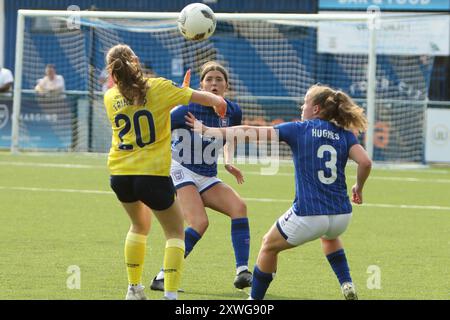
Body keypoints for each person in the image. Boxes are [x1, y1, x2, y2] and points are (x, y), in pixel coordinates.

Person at [186, 84, 372, 300]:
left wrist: (209, 131)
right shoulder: (344, 134)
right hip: (342, 216)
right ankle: (347, 283)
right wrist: (358, 186)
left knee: (267, 246)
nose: (302, 107)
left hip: (309, 214)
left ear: (316, 109)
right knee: (330, 238)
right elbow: (365, 162)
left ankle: (253, 301)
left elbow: (250, 132)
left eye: (305, 103)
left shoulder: (299, 129)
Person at [103, 44, 227, 300]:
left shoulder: (109, 96)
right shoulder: (159, 87)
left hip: (120, 174)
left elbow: (145, 108)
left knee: (138, 225)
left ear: (112, 73)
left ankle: (133, 289)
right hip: (152, 175)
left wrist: (177, 94)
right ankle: (170, 295)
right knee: (175, 232)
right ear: (136, 61)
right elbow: (211, 99)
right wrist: (216, 101)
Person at [150, 61, 252, 292]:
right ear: (201, 85)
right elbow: (154, 126)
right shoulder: (184, 109)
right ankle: (162, 277)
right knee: (199, 222)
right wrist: (172, 104)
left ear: (226, 85)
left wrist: (228, 160)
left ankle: (242, 272)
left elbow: (230, 136)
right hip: (180, 168)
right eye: (209, 79)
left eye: (219, 79)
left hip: (207, 174)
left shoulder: (233, 111)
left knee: (239, 207)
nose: (214, 83)